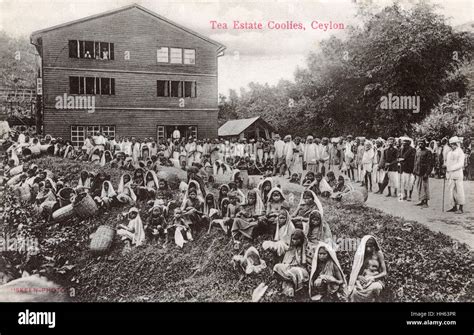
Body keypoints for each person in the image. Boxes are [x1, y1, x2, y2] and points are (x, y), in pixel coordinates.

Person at [347, 235, 387, 302]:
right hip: (363, 280)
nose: (368, 249)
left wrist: (373, 277)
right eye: (367, 246)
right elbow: (356, 270)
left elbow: (384, 272)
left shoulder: (378, 254)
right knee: (354, 292)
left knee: (375, 288)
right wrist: (359, 277)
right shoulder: (361, 255)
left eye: (371, 246)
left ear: (374, 245)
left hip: (376, 280)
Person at [273, 229, 309, 297]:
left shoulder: (306, 248)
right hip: (289, 266)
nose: (294, 241)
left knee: (294, 271)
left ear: (301, 239)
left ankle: (294, 288)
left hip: (300, 268)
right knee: (277, 266)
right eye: (293, 239)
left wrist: (303, 249)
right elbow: (286, 261)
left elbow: (305, 262)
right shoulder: (291, 248)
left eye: (296, 239)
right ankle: (288, 285)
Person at [445, 136, 465, 214]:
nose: (452, 146)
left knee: (459, 190)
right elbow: (447, 162)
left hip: (457, 173)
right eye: (451, 144)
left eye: (454, 144)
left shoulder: (460, 152)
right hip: (450, 174)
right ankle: (453, 206)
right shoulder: (449, 153)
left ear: (457, 144)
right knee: (451, 191)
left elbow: (461, 164)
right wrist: (446, 166)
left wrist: (451, 168)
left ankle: (461, 207)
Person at [413, 138, 433, 208]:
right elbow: (415, 162)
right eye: (419, 143)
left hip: (424, 172)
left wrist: (427, 173)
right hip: (418, 172)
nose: (420, 145)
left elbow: (430, 164)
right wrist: (414, 171)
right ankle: (421, 200)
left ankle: (426, 202)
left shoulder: (428, 152)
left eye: (422, 143)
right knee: (419, 187)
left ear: (425, 144)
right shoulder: (417, 151)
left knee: (425, 187)